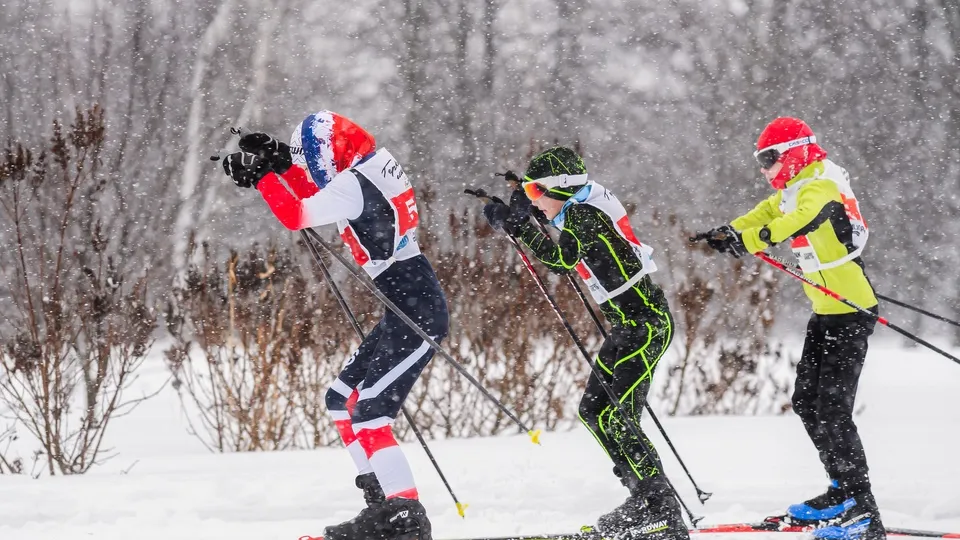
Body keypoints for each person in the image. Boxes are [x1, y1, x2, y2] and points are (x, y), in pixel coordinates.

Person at [221, 110, 448, 540]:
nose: (311, 165)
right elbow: (323, 195)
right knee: (340, 399)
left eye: (312, 156)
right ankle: (382, 508)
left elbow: (298, 214)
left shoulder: (354, 183)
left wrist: (265, 177)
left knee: (370, 415)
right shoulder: (367, 167)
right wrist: (281, 161)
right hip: (406, 304)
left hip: (416, 312)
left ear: (329, 152)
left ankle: (405, 518)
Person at [483, 146, 688, 540]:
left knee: (618, 418)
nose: (531, 200)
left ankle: (663, 511)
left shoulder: (583, 213)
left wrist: (519, 226)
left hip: (645, 326)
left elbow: (563, 260)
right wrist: (520, 211)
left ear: (560, 188)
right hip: (626, 327)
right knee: (594, 411)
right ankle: (642, 498)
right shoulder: (575, 206)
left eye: (535, 191)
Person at [700, 117, 883, 540]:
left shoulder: (821, 183)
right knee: (807, 402)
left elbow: (797, 221)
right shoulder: (794, 186)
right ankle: (841, 492)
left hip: (851, 311)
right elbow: (767, 212)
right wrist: (731, 231)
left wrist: (751, 240)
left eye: (770, 158)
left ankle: (863, 511)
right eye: (760, 161)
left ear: (796, 151)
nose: (765, 169)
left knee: (833, 411)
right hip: (826, 312)